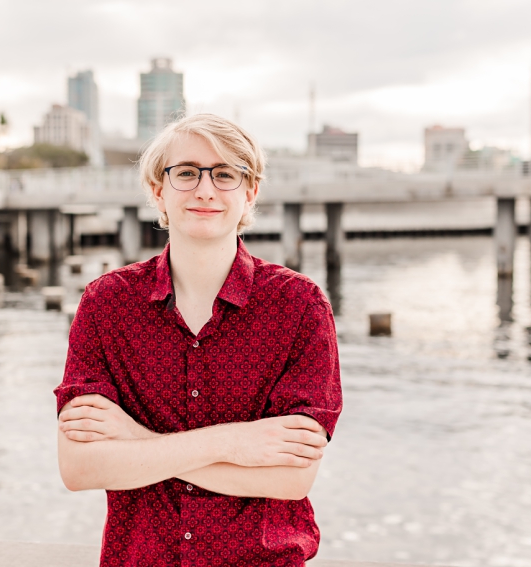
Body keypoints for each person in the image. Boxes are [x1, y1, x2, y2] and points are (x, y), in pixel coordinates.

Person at [54, 113, 342, 567]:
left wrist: (135, 439)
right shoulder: (106, 304)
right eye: (185, 172)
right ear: (157, 190)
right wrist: (236, 445)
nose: (205, 190)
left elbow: (291, 478)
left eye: (225, 174)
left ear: (250, 192)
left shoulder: (300, 306)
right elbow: (79, 468)